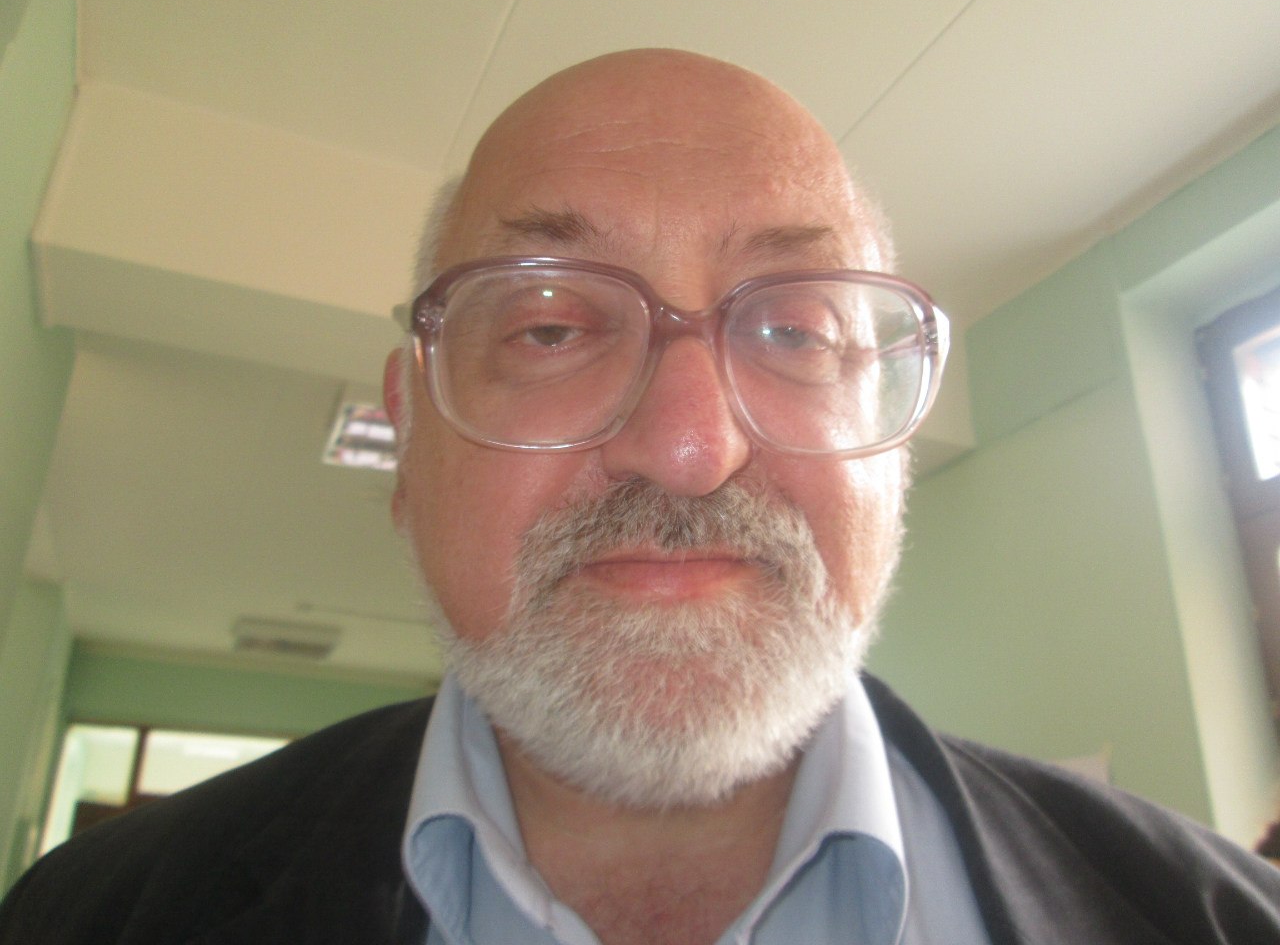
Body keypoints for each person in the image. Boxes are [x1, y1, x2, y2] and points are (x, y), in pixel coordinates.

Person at [2, 48, 1277, 945]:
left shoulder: (1220, 921)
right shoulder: (86, 919)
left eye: (792, 329)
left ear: (889, 454)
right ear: (408, 435)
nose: (686, 446)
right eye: (550, 327)